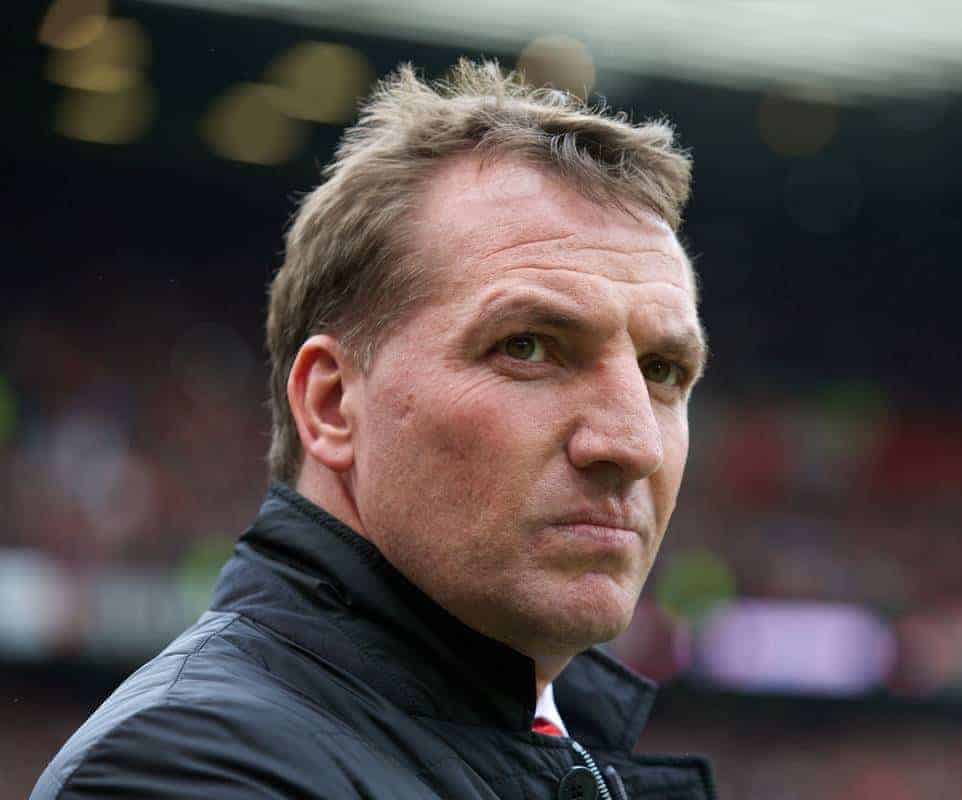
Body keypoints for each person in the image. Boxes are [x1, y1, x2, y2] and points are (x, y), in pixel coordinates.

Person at [33, 59, 713, 799]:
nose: (633, 443)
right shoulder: (185, 771)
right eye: (527, 347)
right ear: (331, 405)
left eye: (663, 371)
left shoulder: (535, 743)